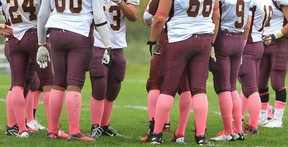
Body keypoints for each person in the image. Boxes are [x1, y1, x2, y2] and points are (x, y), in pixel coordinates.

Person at [37, 0, 111, 142]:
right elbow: (99, 16)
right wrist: (108, 45)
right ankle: (74, 132)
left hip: (56, 32)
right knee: (74, 83)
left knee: (58, 82)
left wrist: (41, 43)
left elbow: (42, 15)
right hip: (80, 33)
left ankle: (52, 130)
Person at [148, 0, 219, 145]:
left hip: (179, 37)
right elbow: (216, 16)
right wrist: (211, 41)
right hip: (204, 37)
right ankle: (200, 136)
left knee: (167, 89)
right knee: (199, 90)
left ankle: (156, 134)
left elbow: (159, 17)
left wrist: (152, 40)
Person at [140, 0, 192, 143]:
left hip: (169, 37)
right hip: (196, 40)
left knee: (155, 83)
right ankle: (181, 132)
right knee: (186, 86)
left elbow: (148, 18)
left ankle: (154, 129)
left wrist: (153, 36)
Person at [1, 0, 54, 138]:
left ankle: (20, 128)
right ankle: (52, 129)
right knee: (48, 84)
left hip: (14, 38)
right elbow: (48, 13)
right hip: (36, 37)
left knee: (17, 85)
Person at [88, 0, 139, 139]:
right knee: (99, 85)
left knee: (114, 85)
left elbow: (134, 16)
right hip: (97, 44)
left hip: (118, 45)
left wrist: (120, 2)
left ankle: (104, 125)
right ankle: (95, 125)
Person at [210, 0, 251, 141]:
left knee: (223, 87)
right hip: (239, 39)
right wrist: (242, 45)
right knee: (233, 87)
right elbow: (247, 25)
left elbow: (215, 18)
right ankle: (238, 130)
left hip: (223, 38)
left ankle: (228, 131)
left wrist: (212, 43)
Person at [239, 0, 273, 135]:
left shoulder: (252, 2)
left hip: (250, 43)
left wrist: (240, 43)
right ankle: (240, 117)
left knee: (251, 88)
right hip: (258, 43)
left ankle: (253, 126)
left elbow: (247, 24)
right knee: (248, 84)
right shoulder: (266, 1)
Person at [258, 0, 288, 128]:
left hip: (279, 41)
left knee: (277, 82)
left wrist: (275, 35)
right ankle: (263, 115)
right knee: (260, 82)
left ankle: (278, 119)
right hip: (262, 41)